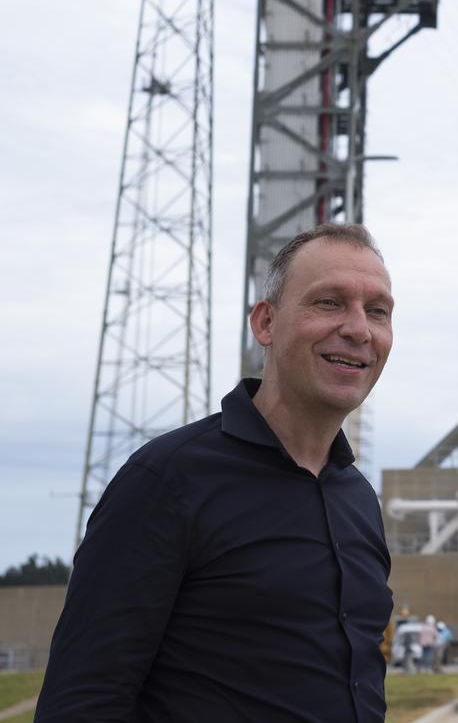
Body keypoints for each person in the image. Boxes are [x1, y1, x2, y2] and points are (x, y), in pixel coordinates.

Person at [36, 224, 396, 723]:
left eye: (377, 310)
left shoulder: (357, 499)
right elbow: (82, 701)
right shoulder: (167, 480)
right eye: (330, 303)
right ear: (266, 323)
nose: (359, 329)